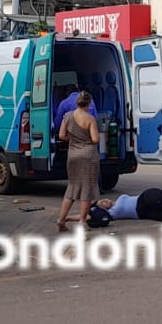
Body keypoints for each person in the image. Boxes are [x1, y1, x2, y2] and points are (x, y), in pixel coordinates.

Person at [57, 91, 102, 233]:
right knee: (87, 188)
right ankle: (82, 221)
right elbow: (95, 139)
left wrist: (74, 139)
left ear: (77, 102)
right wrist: (88, 138)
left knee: (72, 187)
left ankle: (61, 219)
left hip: (73, 155)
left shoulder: (67, 116)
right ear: (88, 104)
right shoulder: (90, 119)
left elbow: (62, 135)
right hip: (88, 156)